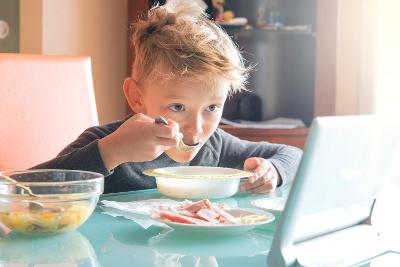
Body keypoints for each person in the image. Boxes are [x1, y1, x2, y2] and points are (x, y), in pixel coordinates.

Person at [33, 0, 302, 194]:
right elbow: (22, 188)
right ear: (136, 98)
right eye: (177, 106)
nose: (196, 129)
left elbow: (292, 154)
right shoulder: (105, 142)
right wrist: (110, 152)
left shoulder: (215, 147)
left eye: (212, 107)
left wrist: (273, 171)